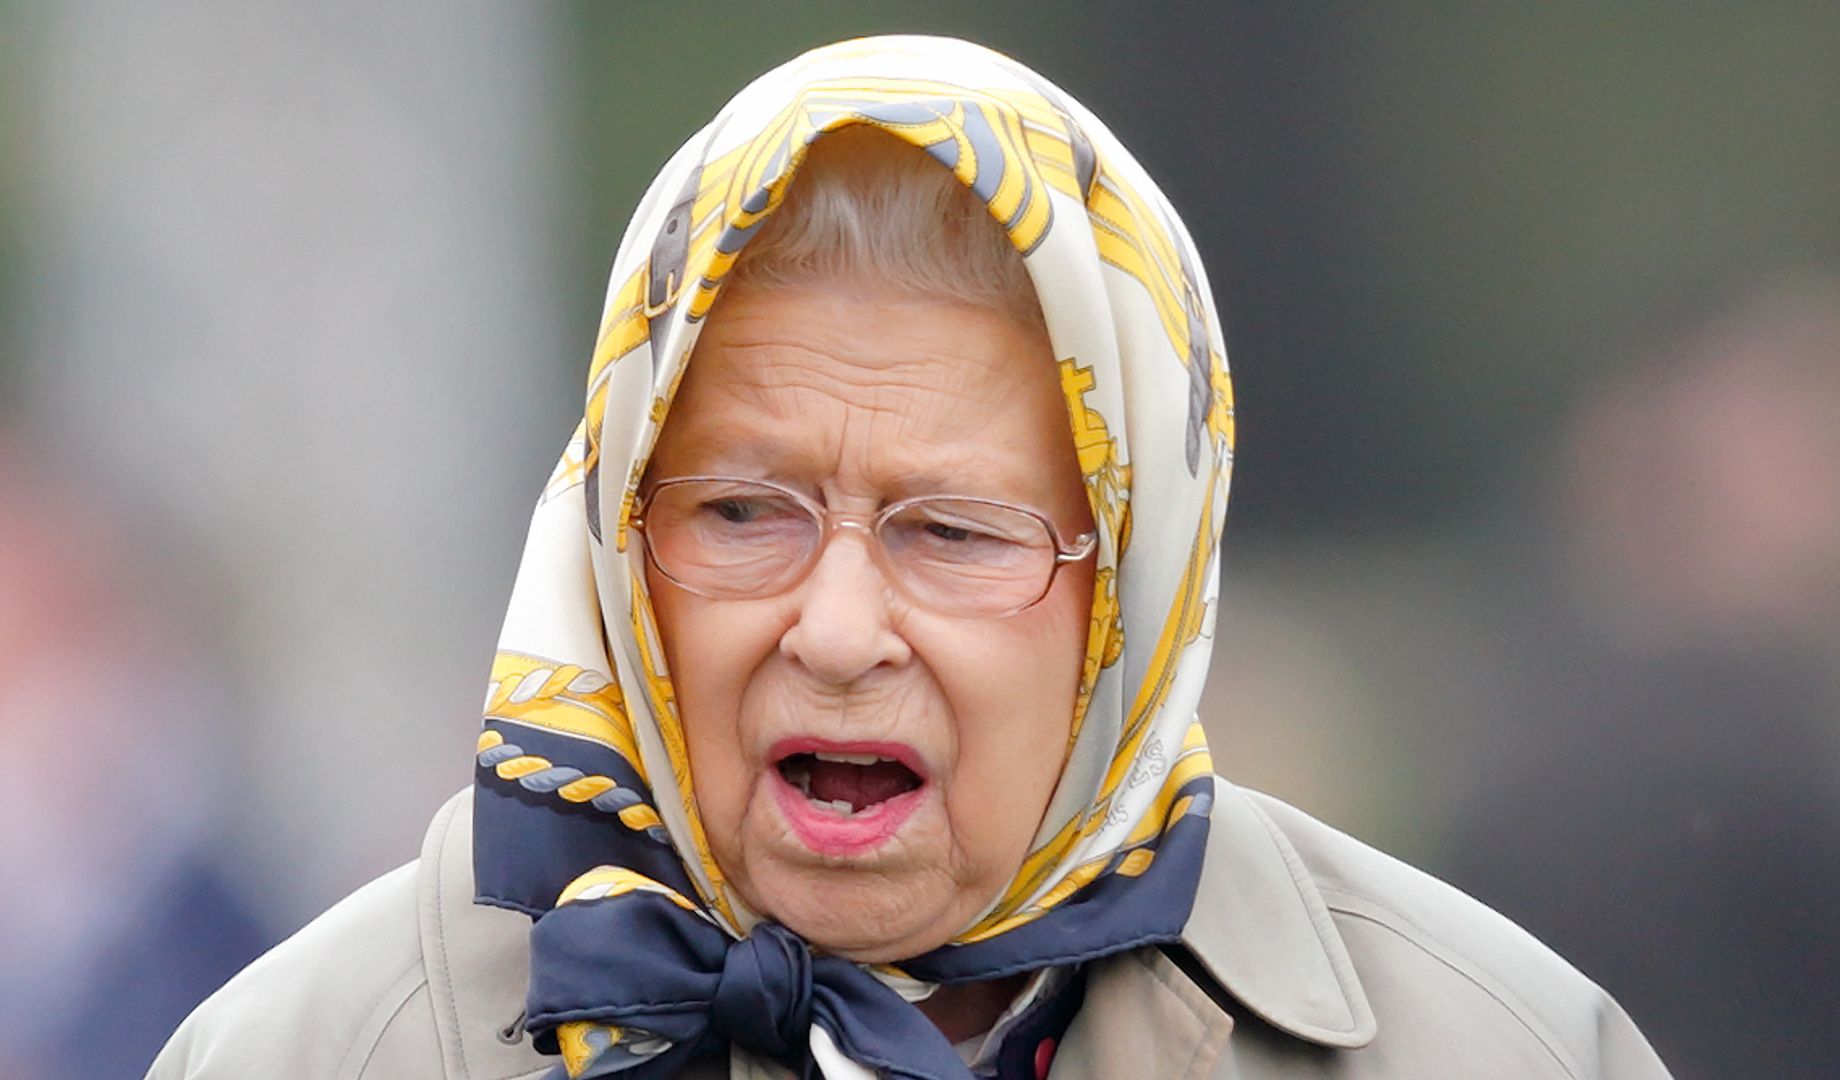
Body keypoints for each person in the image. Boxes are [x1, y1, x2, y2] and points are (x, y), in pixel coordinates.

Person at [149, 36, 1670, 1079]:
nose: (838, 626)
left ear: (1129, 604)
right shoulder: (325, 1049)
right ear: (614, 546)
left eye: (954, 533)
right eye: (743, 513)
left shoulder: (1498, 1046)